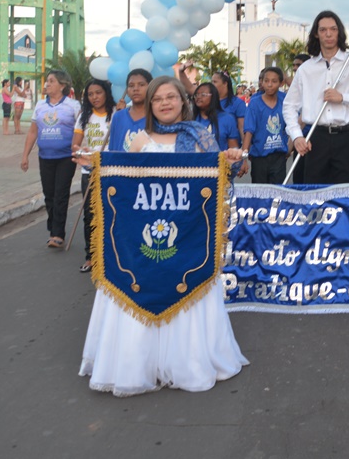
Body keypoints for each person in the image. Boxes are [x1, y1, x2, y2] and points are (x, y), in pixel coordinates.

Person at [78, 76, 248, 396]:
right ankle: (139, 364)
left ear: (183, 102)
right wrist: (95, 163)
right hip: (144, 238)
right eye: (158, 99)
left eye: (171, 97)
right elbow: (121, 179)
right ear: (151, 106)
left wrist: (231, 160)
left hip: (189, 235)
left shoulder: (200, 136)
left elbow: (218, 179)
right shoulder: (140, 141)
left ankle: (187, 361)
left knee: (189, 286)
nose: (165, 103)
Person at [282, 10, 349, 184]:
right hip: (316, 137)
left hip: (346, 137)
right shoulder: (306, 69)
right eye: (323, 30)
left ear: (339, 32)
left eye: (333, 29)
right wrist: (296, 136)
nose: (328, 34)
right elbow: (289, 105)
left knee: (343, 194)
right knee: (314, 193)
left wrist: (343, 97)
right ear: (316, 34)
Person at [21, 70, 81, 248]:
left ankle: (57, 234)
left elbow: (81, 129)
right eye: (47, 81)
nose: (46, 84)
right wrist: (25, 155)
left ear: (62, 85)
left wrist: (78, 150)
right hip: (45, 156)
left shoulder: (73, 105)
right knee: (49, 195)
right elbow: (33, 131)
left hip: (65, 157)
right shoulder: (40, 105)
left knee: (61, 194)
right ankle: (53, 227)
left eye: (51, 81)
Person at [72, 79, 115, 273]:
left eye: (98, 92)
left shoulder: (118, 114)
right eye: (90, 94)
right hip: (89, 172)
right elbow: (75, 145)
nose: (94, 97)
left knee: (112, 214)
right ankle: (90, 256)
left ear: (106, 92)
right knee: (90, 215)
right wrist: (83, 152)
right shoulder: (84, 117)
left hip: (112, 171)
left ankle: (111, 255)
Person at [241, 66, 289, 185]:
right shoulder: (255, 103)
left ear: (281, 83)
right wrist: (243, 158)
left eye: (274, 81)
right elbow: (249, 131)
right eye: (266, 81)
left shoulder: (285, 101)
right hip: (259, 157)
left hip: (279, 156)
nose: (269, 84)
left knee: (278, 193)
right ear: (261, 82)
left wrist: (290, 147)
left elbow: (294, 123)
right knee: (260, 193)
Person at [108, 69, 152, 152]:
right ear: (127, 91)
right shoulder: (118, 116)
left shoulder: (156, 117)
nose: (135, 89)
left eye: (141, 85)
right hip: (120, 164)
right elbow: (113, 149)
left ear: (150, 88)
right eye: (131, 85)